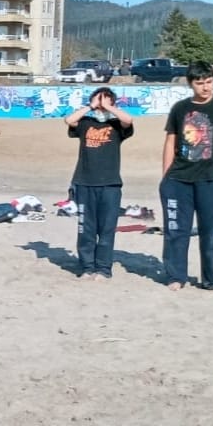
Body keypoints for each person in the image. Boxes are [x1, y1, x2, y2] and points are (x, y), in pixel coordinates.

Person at [160, 61, 213, 292]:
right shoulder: (180, 108)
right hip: (178, 180)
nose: (206, 87)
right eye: (200, 83)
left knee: (209, 233)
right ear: (190, 84)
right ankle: (176, 276)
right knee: (177, 231)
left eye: (209, 82)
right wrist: (166, 177)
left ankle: (210, 280)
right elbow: (171, 142)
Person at [64, 86, 134, 280]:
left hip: (110, 184)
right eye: (99, 99)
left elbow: (129, 120)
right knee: (86, 228)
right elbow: (69, 120)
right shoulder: (86, 123)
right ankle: (87, 266)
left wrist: (109, 107)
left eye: (106, 100)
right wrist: (90, 106)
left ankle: (103, 268)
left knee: (106, 228)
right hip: (84, 182)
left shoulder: (117, 126)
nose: (101, 104)